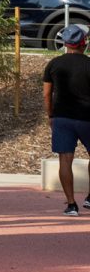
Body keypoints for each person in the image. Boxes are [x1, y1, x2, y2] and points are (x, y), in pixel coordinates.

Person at [43, 22, 90, 216]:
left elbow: (47, 94)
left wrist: (51, 115)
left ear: (65, 43)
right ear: (83, 43)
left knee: (65, 159)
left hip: (62, 118)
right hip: (88, 117)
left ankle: (71, 205)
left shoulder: (54, 64)